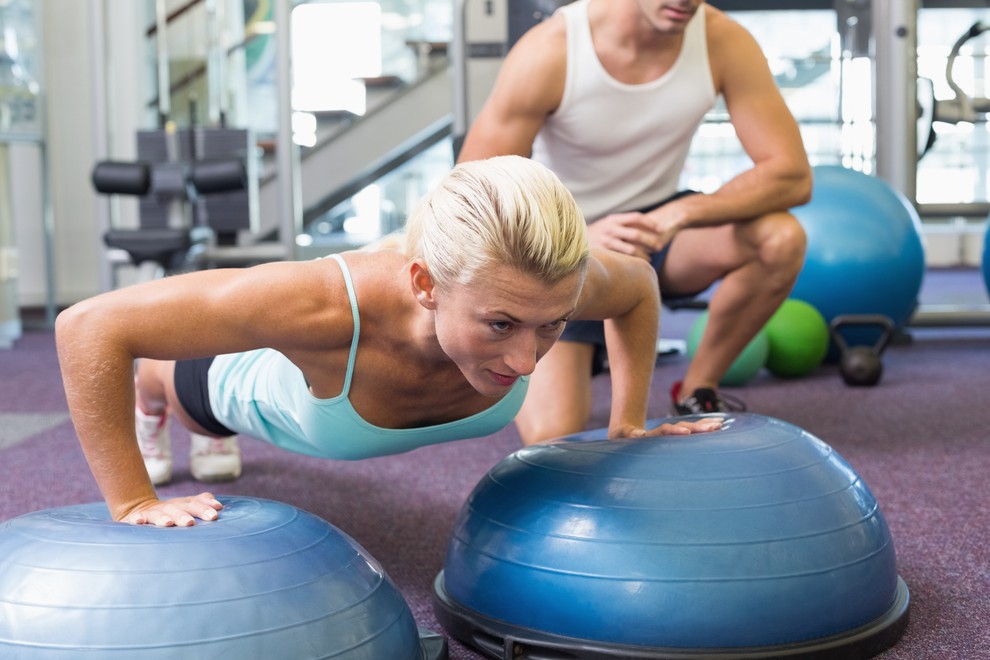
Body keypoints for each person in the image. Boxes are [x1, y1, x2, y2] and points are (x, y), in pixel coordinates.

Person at [56, 156, 722, 528]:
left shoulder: (545, 284)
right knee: (177, 383)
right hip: (230, 374)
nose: (526, 362)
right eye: (500, 325)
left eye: (551, 325)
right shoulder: (319, 304)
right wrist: (134, 500)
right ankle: (154, 397)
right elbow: (88, 327)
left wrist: (627, 420)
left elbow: (636, 287)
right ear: (425, 285)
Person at [457, 0, 813, 445]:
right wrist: (575, 237)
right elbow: (471, 190)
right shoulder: (553, 49)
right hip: (556, 247)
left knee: (779, 238)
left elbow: (792, 173)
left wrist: (681, 213)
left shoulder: (723, 40)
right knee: (557, 443)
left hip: (658, 228)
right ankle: (577, 348)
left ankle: (696, 390)